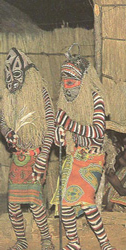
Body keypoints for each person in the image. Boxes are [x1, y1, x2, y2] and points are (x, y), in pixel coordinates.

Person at [50, 44, 116, 250]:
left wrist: (68, 123)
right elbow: (60, 141)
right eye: (64, 83)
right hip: (74, 157)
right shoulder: (66, 104)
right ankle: (74, 243)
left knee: (87, 202)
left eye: (72, 82)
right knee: (65, 204)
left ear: (83, 80)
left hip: (94, 158)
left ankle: (105, 244)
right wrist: (59, 135)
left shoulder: (96, 99)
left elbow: (97, 131)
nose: (67, 88)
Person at [0, 48, 55, 250]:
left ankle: (46, 239)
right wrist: (7, 133)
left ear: (26, 72)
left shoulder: (40, 93)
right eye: (9, 74)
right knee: (13, 204)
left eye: (16, 74)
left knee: (35, 201)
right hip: (19, 157)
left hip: (36, 155)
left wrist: (44, 156)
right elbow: (1, 119)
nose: (12, 79)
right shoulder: (8, 96)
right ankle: (22, 240)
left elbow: (51, 126)